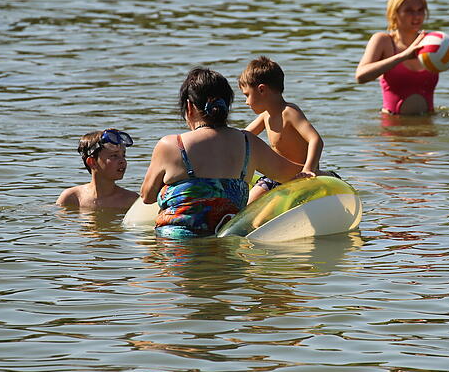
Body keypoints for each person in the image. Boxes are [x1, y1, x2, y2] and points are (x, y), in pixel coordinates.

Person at [139, 67, 304, 237]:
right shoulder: (249, 143)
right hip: (227, 254)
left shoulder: (171, 145)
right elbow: (295, 175)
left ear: (189, 106)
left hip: (175, 254)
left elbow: (147, 196)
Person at [355, 0, 449, 115]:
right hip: (392, 127)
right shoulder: (383, 41)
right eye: (409, 10)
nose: (416, 16)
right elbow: (360, 76)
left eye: (420, 10)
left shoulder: (432, 44)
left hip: (427, 125)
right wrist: (403, 56)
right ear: (394, 13)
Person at [238, 56, 324, 203]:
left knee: (254, 199)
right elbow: (242, 137)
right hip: (278, 177)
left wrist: (308, 169)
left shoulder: (289, 112)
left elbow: (315, 139)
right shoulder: (266, 116)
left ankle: (324, 175)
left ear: (262, 90)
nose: (246, 102)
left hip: (300, 175)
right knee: (249, 204)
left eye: (247, 95)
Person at [56, 129, 139, 210]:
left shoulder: (131, 201)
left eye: (123, 155)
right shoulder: (72, 198)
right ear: (92, 162)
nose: (122, 161)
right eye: (114, 156)